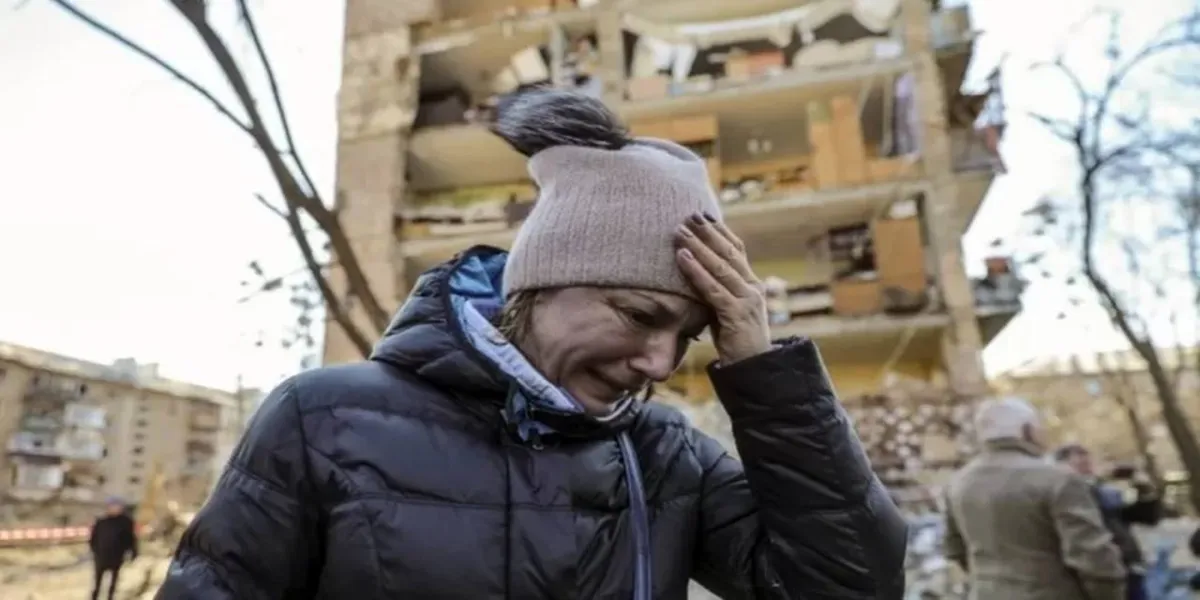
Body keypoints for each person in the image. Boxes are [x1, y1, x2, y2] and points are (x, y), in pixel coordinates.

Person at [155, 89, 908, 599]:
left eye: (689, 335)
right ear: (542, 284)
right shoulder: (323, 420)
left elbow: (849, 586)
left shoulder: (668, 456)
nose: (660, 363)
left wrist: (763, 369)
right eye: (639, 314)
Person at [942, 396, 1126, 600]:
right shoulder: (1057, 479)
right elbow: (1093, 556)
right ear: (1027, 431)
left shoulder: (957, 484)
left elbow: (955, 549)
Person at [1055, 444, 1164, 600]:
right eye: (1079, 462)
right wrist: (1096, 479)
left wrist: (1144, 488)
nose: (1087, 465)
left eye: (1088, 460)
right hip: (1098, 575)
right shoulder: (1065, 495)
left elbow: (1147, 518)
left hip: (1128, 567)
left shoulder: (1104, 493)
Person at [89, 496, 138, 600]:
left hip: (117, 555)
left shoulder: (126, 522)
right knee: (98, 580)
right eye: (112, 506)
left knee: (114, 579)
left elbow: (131, 538)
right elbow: (94, 537)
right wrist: (94, 550)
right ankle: (95, 596)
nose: (114, 509)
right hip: (101, 555)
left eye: (117, 506)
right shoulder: (102, 522)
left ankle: (110, 597)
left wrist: (133, 552)